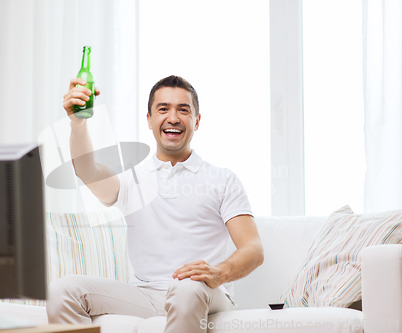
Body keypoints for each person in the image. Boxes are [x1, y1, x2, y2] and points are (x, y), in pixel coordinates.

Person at [47, 75, 264, 333]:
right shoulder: (132, 179)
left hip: (204, 292)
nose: (173, 117)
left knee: (187, 288)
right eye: (163, 109)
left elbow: (253, 249)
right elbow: (86, 170)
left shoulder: (223, 179)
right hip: (146, 294)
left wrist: (220, 272)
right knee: (63, 290)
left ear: (197, 121)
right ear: (149, 120)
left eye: (183, 110)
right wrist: (77, 124)